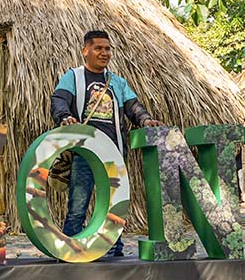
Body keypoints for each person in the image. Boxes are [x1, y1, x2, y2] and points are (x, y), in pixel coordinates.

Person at [50, 30, 162, 257]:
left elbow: (133, 106)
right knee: (78, 205)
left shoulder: (118, 83)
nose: (104, 53)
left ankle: (113, 248)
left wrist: (145, 119)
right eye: (98, 48)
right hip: (84, 152)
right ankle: (71, 247)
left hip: (113, 153)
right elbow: (59, 100)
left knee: (114, 205)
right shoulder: (73, 77)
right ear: (85, 51)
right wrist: (64, 117)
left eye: (108, 48)